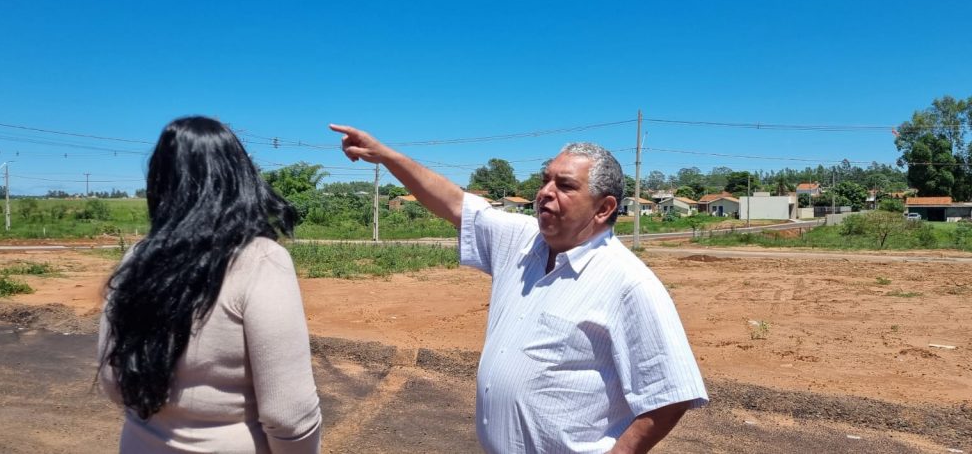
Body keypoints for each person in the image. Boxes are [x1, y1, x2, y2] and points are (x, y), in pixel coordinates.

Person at [330, 124, 707, 454]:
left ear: (604, 208)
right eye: (545, 179)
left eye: (565, 185)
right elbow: (454, 203)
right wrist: (386, 156)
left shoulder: (628, 283)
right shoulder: (520, 240)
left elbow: (669, 395)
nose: (545, 192)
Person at [97, 116, 322, 453]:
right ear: (241, 177)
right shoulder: (260, 260)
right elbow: (290, 414)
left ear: (160, 181)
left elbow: (114, 384)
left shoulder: (136, 258)